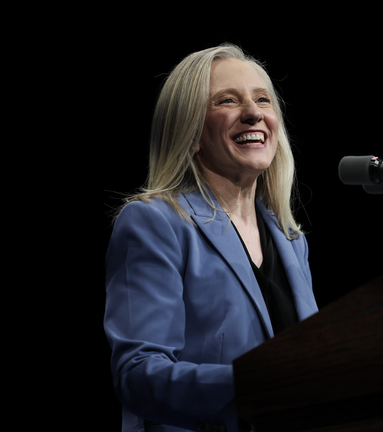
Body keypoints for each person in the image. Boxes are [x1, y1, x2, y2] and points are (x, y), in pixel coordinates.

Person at [104, 44, 318, 432]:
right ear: (191, 132)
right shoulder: (156, 223)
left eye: (263, 100)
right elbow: (138, 375)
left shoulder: (291, 241)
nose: (254, 113)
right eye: (227, 101)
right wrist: (254, 385)